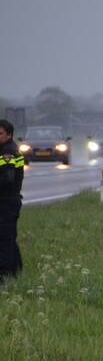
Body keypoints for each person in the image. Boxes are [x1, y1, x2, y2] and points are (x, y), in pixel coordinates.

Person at [0, 119, 25, 281]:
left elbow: (7, 179)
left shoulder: (7, 152)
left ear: (9, 135)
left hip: (6, 202)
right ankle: (16, 270)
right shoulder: (9, 149)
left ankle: (4, 276)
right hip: (10, 201)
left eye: (0, 133)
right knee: (9, 238)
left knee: (4, 240)